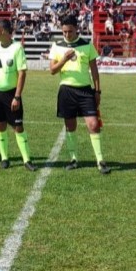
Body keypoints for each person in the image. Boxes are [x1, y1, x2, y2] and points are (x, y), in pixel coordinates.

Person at [49, 14, 109, 174]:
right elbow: (53, 70)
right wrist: (64, 59)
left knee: (93, 125)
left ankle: (100, 160)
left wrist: (97, 90)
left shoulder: (87, 45)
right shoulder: (57, 45)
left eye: (70, 31)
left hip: (85, 91)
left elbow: (94, 70)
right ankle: (74, 158)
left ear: (77, 29)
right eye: (64, 32)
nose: (67, 35)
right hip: (66, 90)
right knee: (70, 126)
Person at [0, 19, 36, 171]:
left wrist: (17, 96)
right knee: (0, 125)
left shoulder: (17, 48)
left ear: (4, 31)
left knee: (18, 127)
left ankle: (27, 160)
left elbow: (22, 73)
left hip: (11, 94)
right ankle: (4, 158)